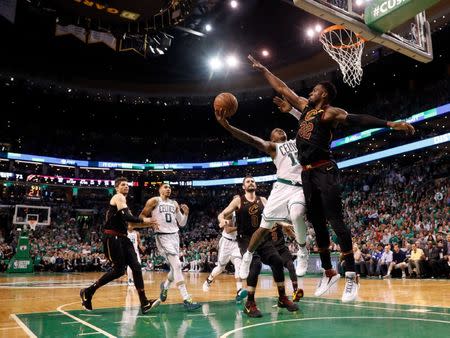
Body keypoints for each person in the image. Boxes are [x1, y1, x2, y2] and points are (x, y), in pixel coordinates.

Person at [239, 55, 415, 302]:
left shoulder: (330, 113)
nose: (310, 92)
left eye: (315, 90)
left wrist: (389, 124)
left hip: (324, 170)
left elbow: (357, 119)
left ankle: (352, 276)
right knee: (318, 222)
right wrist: (264, 69)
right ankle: (328, 271)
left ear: (323, 94)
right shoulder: (305, 108)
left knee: (335, 220)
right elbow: (282, 88)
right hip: (307, 173)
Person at [215, 110, 309, 277]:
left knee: (296, 215)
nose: (279, 129)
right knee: (264, 226)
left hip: (299, 187)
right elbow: (251, 139)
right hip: (282, 187)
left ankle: (302, 251)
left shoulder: (297, 141)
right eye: (275, 131)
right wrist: (228, 126)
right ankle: (247, 256)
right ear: (272, 139)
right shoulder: (273, 147)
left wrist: (292, 110)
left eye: (281, 129)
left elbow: (308, 122)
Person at [218, 176, 298, 317]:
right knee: (255, 265)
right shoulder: (238, 201)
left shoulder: (263, 200)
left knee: (278, 261)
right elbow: (222, 214)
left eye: (253, 181)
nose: (251, 183)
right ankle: (249, 303)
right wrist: (222, 220)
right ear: (243, 187)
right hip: (246, 240)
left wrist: (284, 224)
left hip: (262, 238)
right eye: (248, 181)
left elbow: (274, 216)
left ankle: (282, 298)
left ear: (256, 185)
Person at [80, 177, 160, 314]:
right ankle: (88, 292)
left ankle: (144, 302)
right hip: (112, 236)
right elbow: (129, 218)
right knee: (119, 271)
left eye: (127, 185)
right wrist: (147, 219)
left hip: (123, 237)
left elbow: (131, 224)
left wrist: (150, 223)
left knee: (136, 266)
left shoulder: (124, 202)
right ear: (116, 188)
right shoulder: (118, 197)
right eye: (123, 185)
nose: (126, 187)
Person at [139, 183, 201, 311]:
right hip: (162, 236)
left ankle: (165, 287)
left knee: (174, 268)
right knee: (177, 265)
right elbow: (141, 217)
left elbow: (182, 223)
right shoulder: (154, 201)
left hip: (175, 236)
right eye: (165, 187)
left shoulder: (174, 203)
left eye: (170, 188)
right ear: (160, 189)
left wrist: (186, 213)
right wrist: (150, 222)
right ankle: (186, 299)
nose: (168, 189)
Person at [202, 212, 248, 303]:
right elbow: (227, 230)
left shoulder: (246, 214)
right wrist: (241, 228)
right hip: (226, 242)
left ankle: (239, 292)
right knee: (220, 267)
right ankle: (209, 280)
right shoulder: (230, 214)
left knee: (238, 265)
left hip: (236, 243)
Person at [271, 222, 304, 302]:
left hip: (282, 249)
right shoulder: (262, 219)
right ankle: (282, 296)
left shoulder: (278, 219)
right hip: (271, 250)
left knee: (291, 266)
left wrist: (297, 237)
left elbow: (287, 230)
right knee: (278, 274)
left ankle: (295, 291)